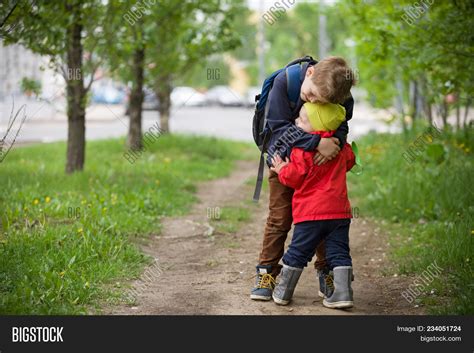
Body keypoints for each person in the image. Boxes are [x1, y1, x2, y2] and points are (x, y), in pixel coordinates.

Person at [251, 56, 355, 301]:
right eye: (311, 95)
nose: (312, 101)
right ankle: (267, 272)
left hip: (321, 166)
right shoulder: (284, 82)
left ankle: (326, 273)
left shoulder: (343, 93)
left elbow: (342, 126)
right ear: (309, 74)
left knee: (321, 215)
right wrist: (317, 142)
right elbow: (277, 127)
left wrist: (335, 146)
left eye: (322, 102)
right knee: (279, 217)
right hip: (283, 161)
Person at [270, 101, 356, 309]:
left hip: (310, 214)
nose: (297, 122)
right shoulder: (339, 147)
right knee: (338, 251)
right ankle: (343, 293)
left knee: (298, 252)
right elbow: (350, 161)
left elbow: (294, 177)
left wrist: (281, 168)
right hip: (338, 213)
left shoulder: (301, 150)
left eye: (302, 119)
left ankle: (283, 292)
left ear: (317, 127)